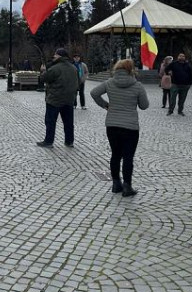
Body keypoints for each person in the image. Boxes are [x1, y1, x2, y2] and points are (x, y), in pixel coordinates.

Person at [90, 59, 149, 197]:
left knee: (115, 154)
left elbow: (94, 93)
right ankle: (127, 186)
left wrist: (106, 105)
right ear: (131, 70)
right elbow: (144, 105)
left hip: (112, 125)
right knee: (128, 156)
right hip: (130, 126)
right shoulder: (138, 86)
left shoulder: (109, 82)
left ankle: (116, 184)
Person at [37, 48, 79, 148]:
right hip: (69, 99)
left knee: (50, 121)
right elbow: (78, 82)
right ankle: (69, 141)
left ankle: (48, 141)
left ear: (60, 56)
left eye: (55, 55)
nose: (53, 57)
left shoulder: (55, 68)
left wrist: (43, 71)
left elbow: (43, 78)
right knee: (68, 122)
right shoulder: (73, 68)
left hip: (55, 99)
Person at [165, 52, 192, 116]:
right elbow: (166, 69)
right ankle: (170, 111)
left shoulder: (187, 65)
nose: (181, 57)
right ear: (178, 57)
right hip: (175, 84)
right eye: (180, 56)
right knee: (172, 98)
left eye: (183, 56)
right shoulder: (174, 64)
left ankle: (180, 111)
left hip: (185, 85)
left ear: (184, 58)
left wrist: (189, 84)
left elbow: (191, 74)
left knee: (182, 99)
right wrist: (169, 72)